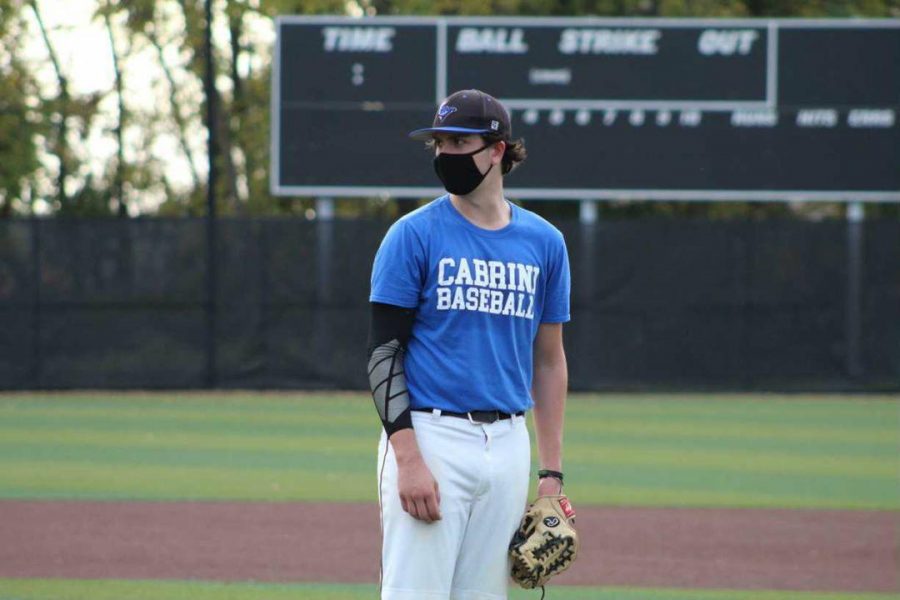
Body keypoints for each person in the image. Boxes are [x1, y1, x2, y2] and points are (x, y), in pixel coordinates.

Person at [367, 89, 571, 600]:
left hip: (507, 444)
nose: (446, 155)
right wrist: (408, 459)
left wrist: (551, 474)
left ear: (497, 149)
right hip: (431, 437)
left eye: (460, 141)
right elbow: (382, 355)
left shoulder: (544, 242)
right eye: (439, 143)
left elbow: (548, 362)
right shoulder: (412, 235)